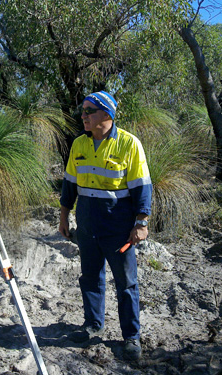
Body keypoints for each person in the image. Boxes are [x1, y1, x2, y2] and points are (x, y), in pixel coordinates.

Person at [58, 91, 152, 361]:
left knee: (126, 283)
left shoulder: (129, 144)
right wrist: (64, 217)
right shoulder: (79, 144)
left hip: (117, 227)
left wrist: (141, 223)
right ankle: (92, 324)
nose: (83, 115)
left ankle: (131, 336)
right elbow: (69, 185)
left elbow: (142, 187)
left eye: (89, 110)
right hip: (87, 225)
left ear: (107, 115)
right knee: (90, 278)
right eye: (83, 110)